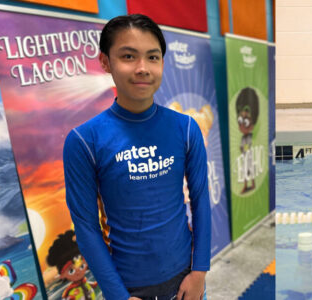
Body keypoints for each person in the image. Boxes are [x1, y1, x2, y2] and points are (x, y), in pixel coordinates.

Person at [63, 14, 210, 300]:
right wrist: (118, 295)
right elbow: (87, 227)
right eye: (128, 56)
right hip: (129, 288)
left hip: (186, 279)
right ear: (105, 62)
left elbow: (201, 199)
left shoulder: (186, 128)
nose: (143, 68)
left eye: (152, 57)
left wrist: (200, 272)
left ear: (162, 63)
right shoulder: (84, 141)